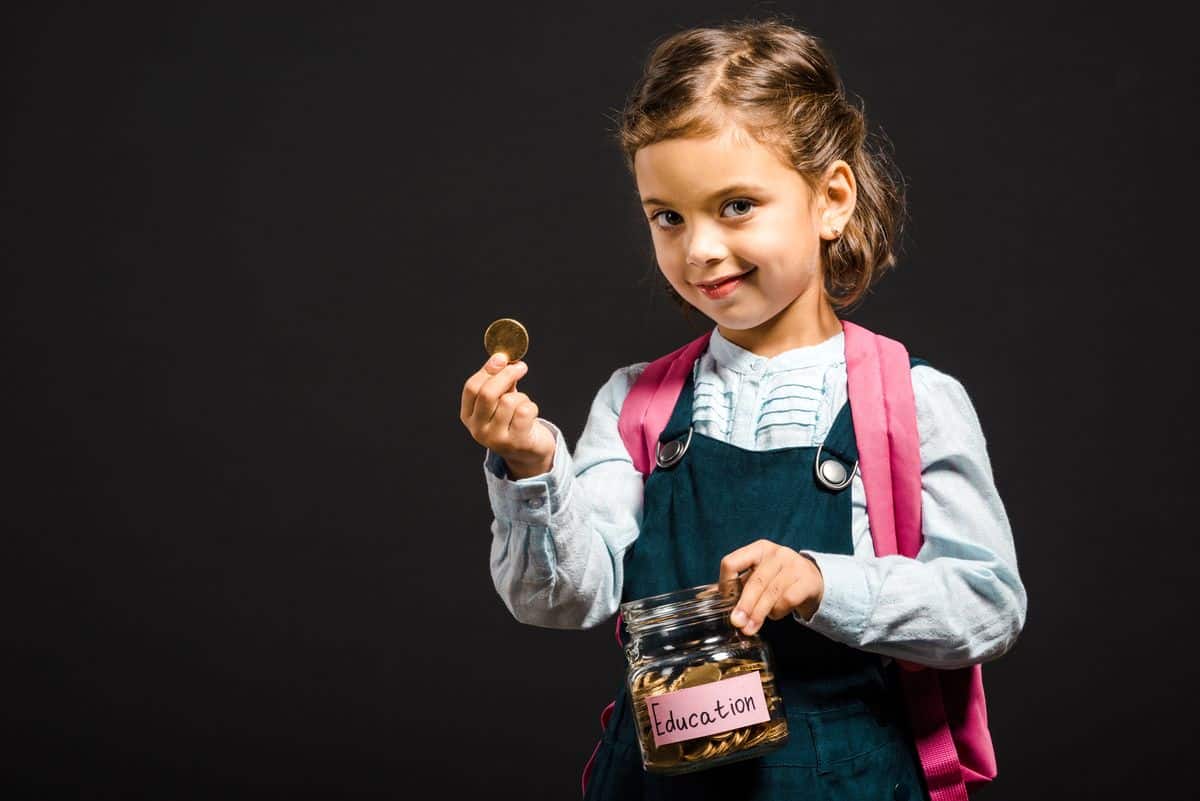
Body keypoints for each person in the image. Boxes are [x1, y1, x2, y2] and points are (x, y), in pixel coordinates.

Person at [459, 18, 1026, 801]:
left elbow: (988, 606)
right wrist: (529, 465)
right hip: (659, 775)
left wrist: (823, 581)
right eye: (669, 216)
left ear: (829, 199)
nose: (698, 250)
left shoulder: (914, 401)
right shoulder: (636, 401)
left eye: (735, 206)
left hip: (837, 778)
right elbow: (563, 599)